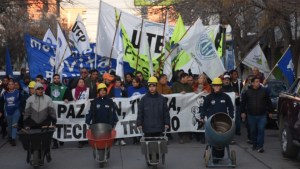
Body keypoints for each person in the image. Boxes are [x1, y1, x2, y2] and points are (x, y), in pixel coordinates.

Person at [200, 77, 234, 163]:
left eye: (218, 86)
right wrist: (202, 116)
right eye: (215, 86)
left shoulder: (226, 97)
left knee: (222, 140)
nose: (217, 87)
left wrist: (231, 116)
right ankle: (215, 157)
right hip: (212, 123)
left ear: (221, 86)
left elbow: (231, 108)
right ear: (213, 86)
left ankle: (220, 155)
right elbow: (203, 108)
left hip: (223, 122)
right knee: (214, 140)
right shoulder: (209, 97)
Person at [23, 82, 57, 165]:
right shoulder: (30, 99)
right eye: (38, 89)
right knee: (32, 141)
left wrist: (54, 122)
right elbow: (27, 113)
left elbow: (52, 112)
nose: (40, 90)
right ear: (35, 90)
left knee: (46, 141)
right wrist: (26, 124)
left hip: (45, 123)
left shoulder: (48, 99)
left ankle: (46, 151)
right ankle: (32, 153)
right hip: (33, 124)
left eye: (41, 89)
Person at [241, 77, 273, 153]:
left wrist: (270, 111)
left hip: (262, 115)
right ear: (252, 83)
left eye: (258, 81)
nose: (258, 83)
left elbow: (269, 102)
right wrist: (243, 112)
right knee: (253, 131)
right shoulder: (247, 92)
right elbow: (243, 103)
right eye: (256, 81)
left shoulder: (264, 91)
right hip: (251, 115)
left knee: (261, 130)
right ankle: (254, 144)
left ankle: (260, 146)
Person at [45, 74, 72, 149]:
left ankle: (61, 139)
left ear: (60, 79)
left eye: (57, 78)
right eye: (55, 78)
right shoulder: (49, 87)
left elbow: (69, 96)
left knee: (61, 125)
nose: (56, 79)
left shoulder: (65, 87)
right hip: (52, 110)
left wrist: (67, 99)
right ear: (53, 79)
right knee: (53, 125)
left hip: (61, 110)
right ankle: (55, 142)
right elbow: (46, 96)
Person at [171, 72, 193, 144]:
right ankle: (181, 136)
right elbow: (171, 95)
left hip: (187, 106)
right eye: (187, 78)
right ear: (182, 78)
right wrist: (179, 94)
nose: (188, 79)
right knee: (180, 120)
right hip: (178, 107)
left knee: (186, 119)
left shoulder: (189, 86)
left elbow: (192, 95)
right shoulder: (175, 85)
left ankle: (187, 135)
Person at [0, 80, 22, 146]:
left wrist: (21, 109)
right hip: (7, 111)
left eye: (12, 84)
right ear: (7, 85)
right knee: (9, 126)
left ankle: (13, 139)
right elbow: (1, 103)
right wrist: (1, 111)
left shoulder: (18, 92)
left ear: (14, 85)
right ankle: (10, 136)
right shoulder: (4, 94)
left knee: (14, 124)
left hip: (16, 110)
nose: (11, 85)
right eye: (9, 84)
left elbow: (22, 101)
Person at [71, 78, 89, 148]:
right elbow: (71, 99)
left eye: (82, 82)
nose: (81, 83)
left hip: (85, 109)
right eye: (80, 82)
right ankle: (80, 141)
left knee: (85, 124)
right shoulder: (73, 90)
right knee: (79, 125)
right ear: (77, 83)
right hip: (77, 110)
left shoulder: (87, 90)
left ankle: (85, 139)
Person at [230, 70, 243, 136]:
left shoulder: (240, 82)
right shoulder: (229, 82)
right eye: (234, 74)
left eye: (236, 74)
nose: (236, 76)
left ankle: (238, 130)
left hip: (238, 102)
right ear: (231, 75)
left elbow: (242, 91)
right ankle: (231, 130)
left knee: (238, 116)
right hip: (231, 102)